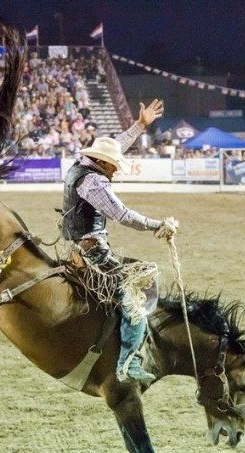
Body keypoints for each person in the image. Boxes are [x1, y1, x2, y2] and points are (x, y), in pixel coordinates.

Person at [61, 99, 178, 384]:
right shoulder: (95, 182)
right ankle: (127, 363)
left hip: (77, 244)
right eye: (113, 166)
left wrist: (140, 126)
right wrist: (157, 225)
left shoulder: (81, 164)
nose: (115, 171)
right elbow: (121, 214)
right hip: (93, 250)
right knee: (135, 297)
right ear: (101, 163)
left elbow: (116, 145)